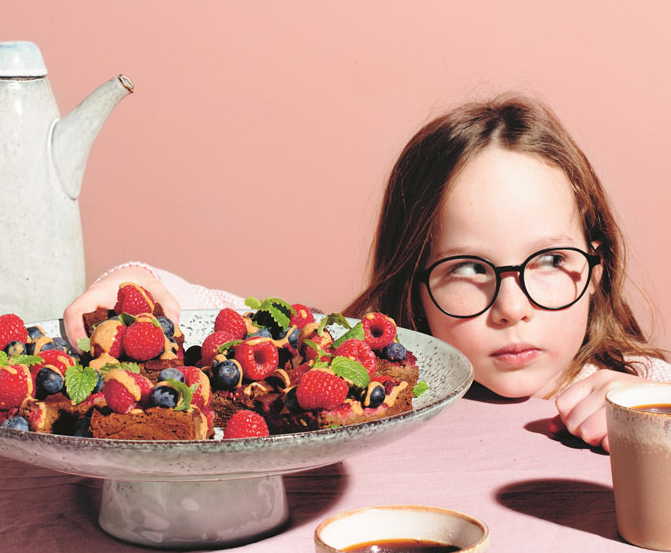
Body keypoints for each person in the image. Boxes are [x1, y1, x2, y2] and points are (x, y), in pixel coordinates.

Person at [63, 94, 670, 451]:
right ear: (414, 281)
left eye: (550, 262)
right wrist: (128, 285)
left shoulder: (637, 383)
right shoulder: (372, 374)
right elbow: (225, 318)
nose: (512, 306)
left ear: (594, 268)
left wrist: (655, 416)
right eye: (467, 269)